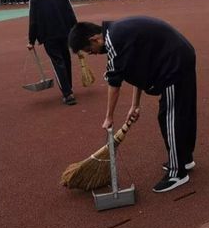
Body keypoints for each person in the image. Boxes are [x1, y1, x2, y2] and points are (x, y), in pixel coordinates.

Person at [68, 17, 197, 193]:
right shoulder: (117, 34)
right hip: (175, 59)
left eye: (90, 50)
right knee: (174, 113)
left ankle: (177, 173)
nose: (94, 54)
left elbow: (114, 83)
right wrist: (134, 104)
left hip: (174, 63)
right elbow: (138, 69)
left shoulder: (113, 39)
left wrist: (109, 117)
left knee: (171, 117)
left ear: (94, 39)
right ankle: (184, 159)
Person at [27, 0, 77, 106]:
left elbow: (33, 21)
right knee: (66, 60)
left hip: (48, 35)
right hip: (64, 33)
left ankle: (68, 94)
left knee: (58, 63)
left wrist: (31, 40)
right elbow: (71, 16)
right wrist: (75, 33)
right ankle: (69, 88)